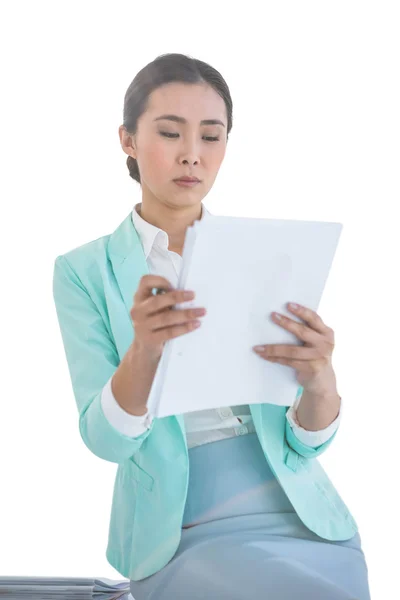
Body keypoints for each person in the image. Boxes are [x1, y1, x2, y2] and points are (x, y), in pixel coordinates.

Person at [52, 53, 371, 599]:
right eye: (170, 133)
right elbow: (105, 441)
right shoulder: (84, 271)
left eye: (212, 137)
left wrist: (321, 380)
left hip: (300, 514)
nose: (192, 156)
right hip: (181, 526)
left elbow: (306, 442)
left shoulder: (265, 254)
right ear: (127, 140)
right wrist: (145, 352)